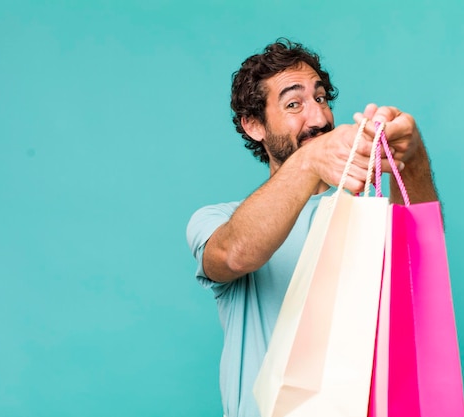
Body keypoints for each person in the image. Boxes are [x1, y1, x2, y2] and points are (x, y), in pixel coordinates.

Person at [186, 38, 439, 417]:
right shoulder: (217, 219)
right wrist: (308, 163)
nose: (319, 118)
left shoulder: (367, 214)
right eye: (294, 104)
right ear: (254, 125)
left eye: (321, 99)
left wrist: (411, 160)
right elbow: (235, 253)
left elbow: (420, 267)